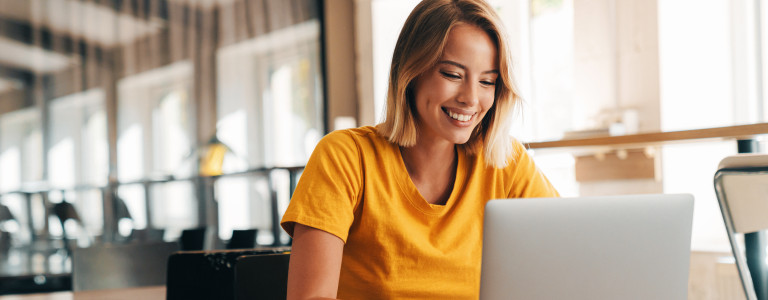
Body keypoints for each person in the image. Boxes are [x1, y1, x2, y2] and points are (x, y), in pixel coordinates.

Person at [280, 0, 559, 299]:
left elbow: (571, 252)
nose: (471, 98)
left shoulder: (506, 163)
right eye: (452, 74)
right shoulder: (345, 156)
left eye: (487, 81)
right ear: (411, 72)